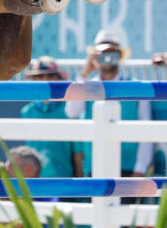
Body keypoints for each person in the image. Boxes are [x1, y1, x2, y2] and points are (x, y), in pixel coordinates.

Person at [66, 29, 153, 181]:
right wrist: (84, 73)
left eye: (111, 52)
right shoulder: (87, 86)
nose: (107, 57)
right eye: (102, 53)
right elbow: (71, 111)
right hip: (95, 165)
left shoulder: (136, 87)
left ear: (119, 55)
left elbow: (146, 129)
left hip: (127, 167)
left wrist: (140, 169)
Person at [19, 57, 78, 178]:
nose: (46, 81)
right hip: (35, 179)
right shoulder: (27, 111)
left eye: (51, 76)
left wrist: (79, 175)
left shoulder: (68, 110)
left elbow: (77, 150)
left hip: (65, 179)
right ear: (34, 81)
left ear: (58, 79)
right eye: (40, 77)